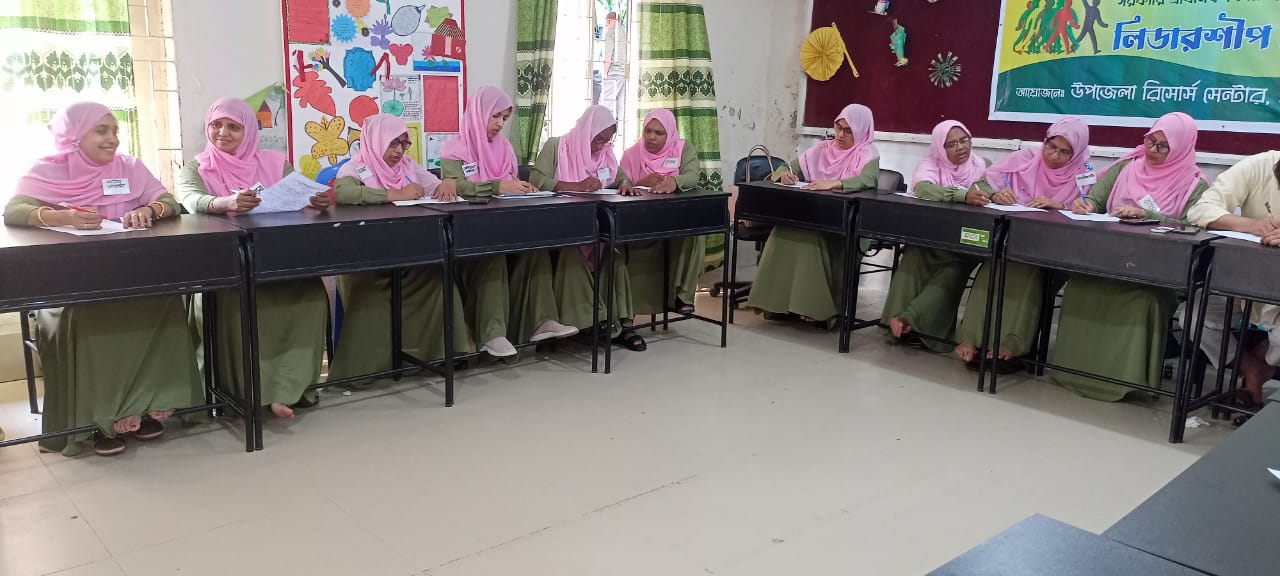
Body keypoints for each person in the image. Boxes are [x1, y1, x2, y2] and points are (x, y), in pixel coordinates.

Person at [4, 102, 201, 456]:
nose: (112, 139)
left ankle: (146, 402)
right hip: (70, 284)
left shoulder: (130, 167)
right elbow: (14, 211)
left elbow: (170, 202)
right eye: (101, 131)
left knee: (163, 301)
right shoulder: (47, 170)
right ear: (74, 135)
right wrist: (60, 216)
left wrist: (148, 209)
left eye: (115, 131)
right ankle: (101, 418)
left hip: (130, 275)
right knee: (91, 315)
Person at [175, 97, 331, 419]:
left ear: (248, 131)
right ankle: (247, 394)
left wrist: (312, 200)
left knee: (310, 295)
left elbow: (296, 193)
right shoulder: (196, 167)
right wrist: (225, 202)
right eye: (216, 125)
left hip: (276, 258)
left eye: (233, 127)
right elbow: (190, 198)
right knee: (238, 305)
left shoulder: (275, 162)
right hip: (225, 265)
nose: (223, 133)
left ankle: (287, 389)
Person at [1053, 112, 1209, 401]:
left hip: (1159, 270)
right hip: (1109, 260)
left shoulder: (1194, 183)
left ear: (1181, 147)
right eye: (1150, 141)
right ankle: (1075, 372)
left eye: (1163, 146)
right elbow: (1095, 199)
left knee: (1141, 300)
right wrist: (1085, 205)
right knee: (1080, 287)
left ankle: (1124, 382)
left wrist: (1147, 215)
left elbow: (1192, 225)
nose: (1152, 149)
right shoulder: (1127, 166)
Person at [328, 113, 472, 384]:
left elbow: (436, 186)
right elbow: (343, 193)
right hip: (366, 257)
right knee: (371, 295)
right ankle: (371, 369)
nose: (398, 151)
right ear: (376, 140)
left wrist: (448, 183)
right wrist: (393, 194)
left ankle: (440, 356)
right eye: (392, 143)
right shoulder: (355, 167)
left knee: (439, 279)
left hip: (406, 251)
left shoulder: (408, 166)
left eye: (403, 144)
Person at [439, 86, 578, 351]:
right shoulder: (454, 148)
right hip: (469, 235)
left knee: (536, 249)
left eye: (504, 118)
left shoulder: (504, 148)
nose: (500, 123)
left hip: (504, 225)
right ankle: (492, 334)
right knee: (493, 252)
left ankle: (543, 321)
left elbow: (511, 182)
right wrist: (498, 186)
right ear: (479, 113)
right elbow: (455, 185)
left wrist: (525, 188)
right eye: (495, 116)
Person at [953, 116, 1093, 368]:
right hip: (1013, 242)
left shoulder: (1084, 174)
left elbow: (1093, 207)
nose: (1054, 156)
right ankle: (972, 336)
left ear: (1076, 153)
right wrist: (995, 194)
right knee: (994, 266)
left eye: (1064, 152)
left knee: (1028, 271)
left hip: (1054, 253)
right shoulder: (1023, 160)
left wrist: (1060, 205)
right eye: (1051, 146)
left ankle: (1013, 343)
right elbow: (981, 184)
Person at [748, 104, 881, 327]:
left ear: (861, 130)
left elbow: (868, 180)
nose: (840, 135)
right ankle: (775, 304)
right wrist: (785, 176)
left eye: (848, 130)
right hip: (813, 217)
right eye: (838, 128)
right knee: (783, 230)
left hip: (846, 224)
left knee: (810, 237)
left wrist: (834, 183)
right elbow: (785, 168)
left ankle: (814, 308)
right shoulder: (822, 149)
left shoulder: (867, 153)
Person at [529, 105, 647, 351]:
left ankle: (622, 324)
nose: (600, 145)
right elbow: (536, 180)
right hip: (560, 229)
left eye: (606, 141)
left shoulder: (605, 155)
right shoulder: (557, 146)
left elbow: (619, 175)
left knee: (614, 256)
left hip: (594, 227)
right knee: (572, 254)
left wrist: (625, 182)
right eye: (597, 139)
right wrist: (574, 185)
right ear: (587, 130)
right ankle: (595, 320)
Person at [881, 120, 993, 353]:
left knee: (952, 273)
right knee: (912, 258)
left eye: (964, 140)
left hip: (965, 244)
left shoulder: (983, 165)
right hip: (932, 237)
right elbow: (923, 188)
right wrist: (961, 196)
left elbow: (988, 190)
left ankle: (910, 322)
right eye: (951, 144)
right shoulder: (930, 163)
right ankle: (893, 324)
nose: (960, 147)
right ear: (941, 148)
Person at [1186, 150, 1280, 409]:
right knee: (1194, 317)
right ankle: (1251, 369)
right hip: (1246, 279)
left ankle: (1263, 366)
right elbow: (1200, 210)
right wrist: (1252, 225)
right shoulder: (1259, 166)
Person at [619, 108, 706, 316]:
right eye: (648, 131)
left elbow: (693, 176)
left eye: (659, 133)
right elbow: (620, 183)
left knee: (696, 233)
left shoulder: (683, 148)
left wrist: (674, 181)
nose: (651, 137)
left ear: (670, 133)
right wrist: (641, 182)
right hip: (640, 219)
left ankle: (682, 295)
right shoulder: (632, 154)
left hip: (674, 216)